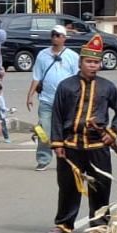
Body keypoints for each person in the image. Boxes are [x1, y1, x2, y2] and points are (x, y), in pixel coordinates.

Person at [48, 35, 117, 233]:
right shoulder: (66, 86)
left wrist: (113, 132)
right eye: (89, 62)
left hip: (97, 145)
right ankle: (64, 223)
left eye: (96, 62)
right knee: (68, 186)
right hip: (70, 145)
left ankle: (100, 223)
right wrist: (57, 143)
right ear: (80, 62)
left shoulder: (107, 86)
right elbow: (57, 115)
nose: (93, 66)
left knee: (100, 185)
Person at [27, 24, 79, 171]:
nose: (55, 38)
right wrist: (30, 95)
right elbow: (36, 76)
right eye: (53, 35)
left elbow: (77, 77)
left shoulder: (72, 56)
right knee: (44, 128)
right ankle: (43, 158)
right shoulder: (43, 55)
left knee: (68, 129)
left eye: (58, 35)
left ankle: (68, 157)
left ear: (64, 38)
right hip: (47, 99)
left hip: (67, 100)